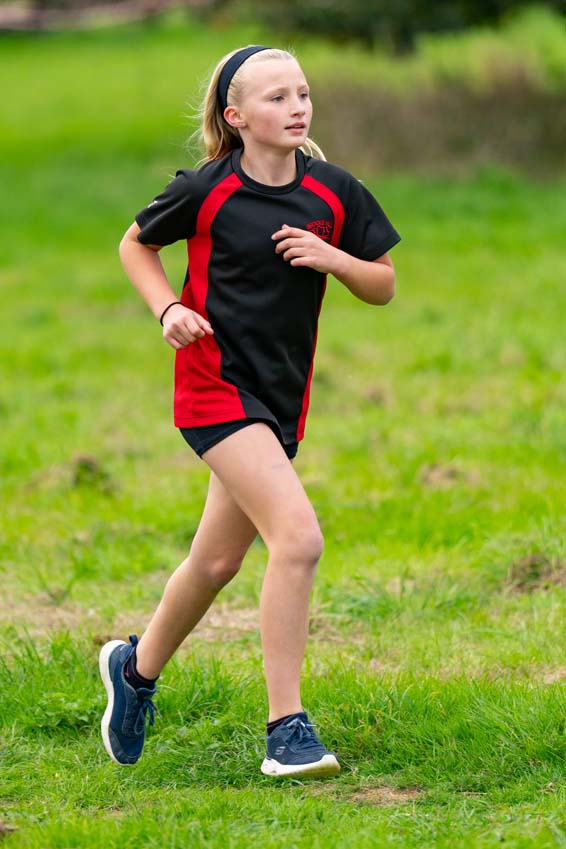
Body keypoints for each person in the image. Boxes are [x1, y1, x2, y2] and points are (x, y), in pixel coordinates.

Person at [99, 45, 401, 779]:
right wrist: (167, 306)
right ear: (236, 118)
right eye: (276, 98)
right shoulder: (206, 189)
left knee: (216, 560)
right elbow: (136, 245)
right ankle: (286, 728)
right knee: (296, 538)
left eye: (302, 93)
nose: (297, 107)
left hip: (280, 397)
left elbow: (384, 283)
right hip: (213, 385)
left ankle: (133, 671)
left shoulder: (336, 192)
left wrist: (335, 259)